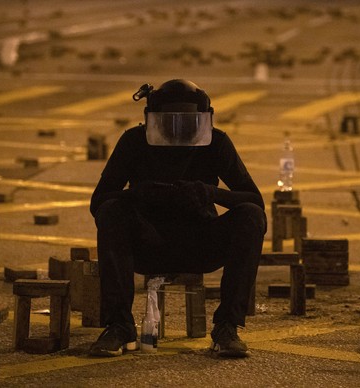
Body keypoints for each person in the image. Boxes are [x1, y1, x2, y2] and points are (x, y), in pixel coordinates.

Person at [88, 79, 266, 358]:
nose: (179, 131)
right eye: (170, 123)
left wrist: (210, 193)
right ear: (152, 120)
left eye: (188, 123)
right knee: (112, 212)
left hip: (200, 244)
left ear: (203, 120)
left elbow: (255, 200)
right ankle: (119, 326)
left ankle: (227, 326)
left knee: (251, 217)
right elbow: (99, 202)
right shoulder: (133, 142)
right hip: (148, 245)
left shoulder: (216, 142)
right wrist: (138, 194)